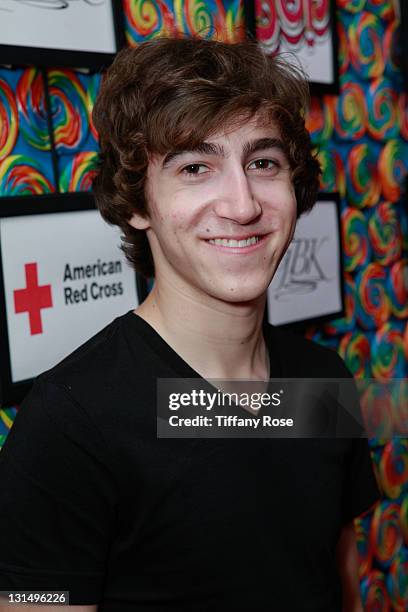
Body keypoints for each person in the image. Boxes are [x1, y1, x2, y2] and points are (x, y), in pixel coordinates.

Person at [0, 36, 380, 611]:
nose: (243, 203)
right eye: (195, 167)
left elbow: (338, 577)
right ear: (136, 203)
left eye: (262, 162)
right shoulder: (70, 424)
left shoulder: (321, 379)